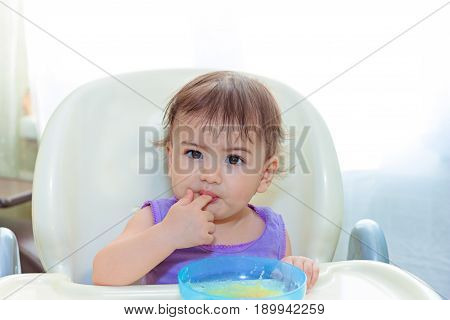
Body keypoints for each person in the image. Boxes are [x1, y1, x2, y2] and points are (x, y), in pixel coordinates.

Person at [92, 71, 319, 292]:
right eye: (194, 154)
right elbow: (103, 274)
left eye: (233, 159)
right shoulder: (155, 219)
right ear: (171, 159)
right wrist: (166, 235)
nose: (209, 174)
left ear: (265, 174)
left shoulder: (273, 232)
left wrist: (294, 271)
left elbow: (280, 298)